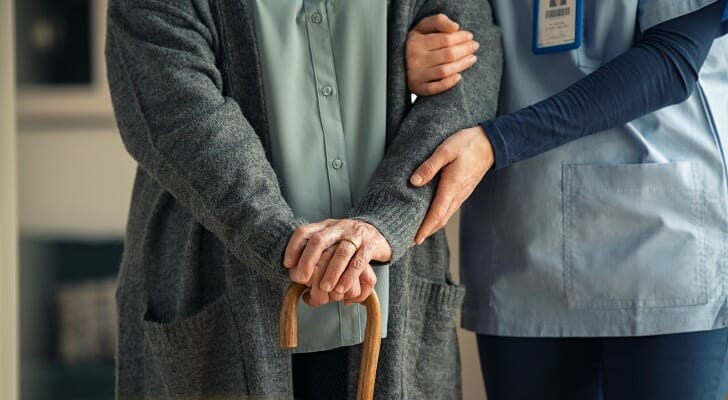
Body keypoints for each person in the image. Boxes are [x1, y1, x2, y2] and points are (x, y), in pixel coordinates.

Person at [105, 0, 502, 399]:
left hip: (390, 298)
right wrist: (293, 247)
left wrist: (384, 223)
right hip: (219, 296)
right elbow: (180, 115)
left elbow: (469, 81)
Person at [404, 1, 728, 399]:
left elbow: (672, 61)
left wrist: (497, 142)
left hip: (659, 246)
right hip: (522, 239)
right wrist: (408, 62)